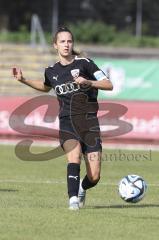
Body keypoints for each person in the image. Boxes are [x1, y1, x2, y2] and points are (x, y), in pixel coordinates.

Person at [13, 27, 113, 210]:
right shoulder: (51, 70)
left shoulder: (86, 64)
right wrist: (24, 80)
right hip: (67, 121)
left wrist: (89, 82)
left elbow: (108, 84)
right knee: (73, 157)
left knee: (95, 176)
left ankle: (82, 188)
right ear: (55, 45)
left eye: (69, 41)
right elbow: (45, 87)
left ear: (72, 44)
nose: (66, 45)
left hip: (89, 122)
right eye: (62, 41)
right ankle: (73, 200)